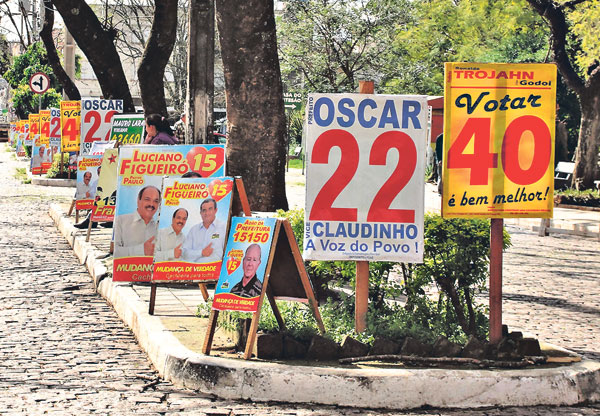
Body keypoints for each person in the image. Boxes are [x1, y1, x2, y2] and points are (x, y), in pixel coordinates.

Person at [114, 185, 161, 258]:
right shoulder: (120, 221)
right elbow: (114, 251)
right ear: (138, 201)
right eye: (147, 199)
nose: (151, 204)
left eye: (156, 201)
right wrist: (141, 250)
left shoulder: (159, 228)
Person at [182, 198, 225, 263]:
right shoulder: (194, 230)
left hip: (216, 270)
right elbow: (184, 254)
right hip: (196, 270)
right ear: (200, 213)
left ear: (215, 210)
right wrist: (201, 253)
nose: (207, 213)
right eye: (204, 210)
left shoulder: (224, 227)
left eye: (210, 209)